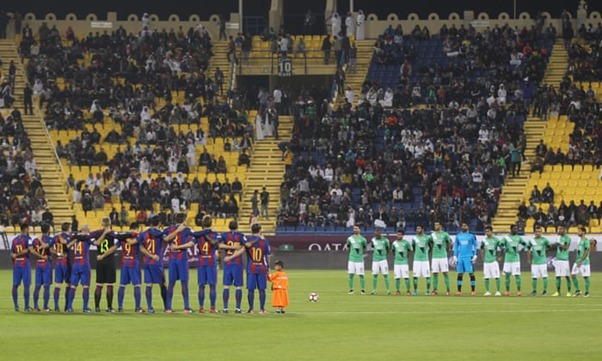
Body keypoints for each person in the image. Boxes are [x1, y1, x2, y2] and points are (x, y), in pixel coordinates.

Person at [171, 215, 218, 313]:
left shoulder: (199, 235)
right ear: (211, 223)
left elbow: (190, 244)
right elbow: (217, 245)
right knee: (212, 285)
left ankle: (201, 307)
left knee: (201, 285)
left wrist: (177, 247)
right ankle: (213, 307)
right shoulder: (215, 234)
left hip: (201, 261)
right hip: (210, 261)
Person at [224, 223, 271, 313]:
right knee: (262, 289)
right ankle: (262, 309)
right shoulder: (264, 242)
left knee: (251, 289)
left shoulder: (248, 241)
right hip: (261, 267)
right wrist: (268, 266)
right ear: (260, 230)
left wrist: (230, 257)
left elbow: (241, 251)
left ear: (251, 231)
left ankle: (251, 309)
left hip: (251, 267)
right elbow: (268, 256)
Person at [66, 225, 110, 312]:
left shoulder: (75, 237)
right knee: (85, 286)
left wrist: (75, 240)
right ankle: (85, 307)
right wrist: (104, 234)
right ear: (86, 230)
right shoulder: (87, 238)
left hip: (75, 264)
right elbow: (97, 243)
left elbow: (67, 246)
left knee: (73, 286)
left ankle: (69, 307)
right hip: (84, 264)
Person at [163, 212, 194, 313]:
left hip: (172, 259)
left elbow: (165, 239)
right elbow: (191, 243)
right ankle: (186, 307)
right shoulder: (186, 230)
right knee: (184, 283)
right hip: (182, 259)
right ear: (184, 220)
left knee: (171, 284)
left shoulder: (169, 229)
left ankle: (168, 308)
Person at [110, 224, 143, 312]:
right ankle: (137, 307)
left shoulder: (122, 237)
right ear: (136, 228)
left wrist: (105, 254)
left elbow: (114, 247)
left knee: (122, 285)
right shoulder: (137, 236)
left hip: (124, 262)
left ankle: (120, 307)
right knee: (137, 285)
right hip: (133, 262)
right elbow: (141, 248)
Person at [138, 216, 167, 313]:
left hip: (147, 262)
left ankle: (150, 307)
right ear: (159, 223)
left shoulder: (143, 234)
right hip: (157, 262)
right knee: (162, 284)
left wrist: (149, 255)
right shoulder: (159, 234)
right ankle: (167, 307)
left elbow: (141, 248)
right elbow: (166, 238)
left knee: (148, 285)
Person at [220, 220, 247, 313]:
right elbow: (244, 247)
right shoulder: (241, 236)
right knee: (238, 287)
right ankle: (238, 308)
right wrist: (234, 248)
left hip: (228, 263)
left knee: (226, 286)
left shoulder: (224, 235)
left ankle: (225, 308)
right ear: (237, 226)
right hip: (237, 263)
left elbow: (219, 245)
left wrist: (229, 250)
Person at [93, 217, 117, 312]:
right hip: (109, 260)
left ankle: (97, 307)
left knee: (99, 284)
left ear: (102, 224)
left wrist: (101, 256)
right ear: (110, 223)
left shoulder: (97, 233)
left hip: (100, 261)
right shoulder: (113, 234)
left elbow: (96, 243)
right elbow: (115, 247)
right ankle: (109, 307)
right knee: (109, 285)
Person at [29, 223, 53, 311]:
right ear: (48, 230)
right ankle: (45, 307)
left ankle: (35, 307)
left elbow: (32, 250)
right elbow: (50, 249)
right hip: (46, 264)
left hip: (38, 263)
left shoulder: (35, 240)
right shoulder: (50, 239)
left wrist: (39, 256)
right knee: (46, 286)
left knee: (37, 286)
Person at [49, 222, 72, 311]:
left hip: (58, 261)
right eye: (70, 228)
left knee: (58, 284)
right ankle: (67, 306)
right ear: (68, 228)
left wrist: (58, 253)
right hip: (66, 262)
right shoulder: (68, 237)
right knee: (68, 284)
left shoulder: (55, 237)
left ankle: (56, 306)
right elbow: (66, 243)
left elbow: (50, 248)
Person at [500, 225, 527, 296]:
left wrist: (523, 249)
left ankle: (519, 291)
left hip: (516, 260)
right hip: (507, 260)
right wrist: (504, 248)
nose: (516, 230)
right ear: (511, 229)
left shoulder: (518, 237)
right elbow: (501, 244)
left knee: (517, 275)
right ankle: (507, 291)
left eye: (517, 228)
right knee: (507, 276)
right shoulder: (506, 238)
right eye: (515, 228)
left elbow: (525, 244)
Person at [11, 223, 32, 311]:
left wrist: (15, 256)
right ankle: (26, 307)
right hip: (24, 262)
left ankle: (16, 305)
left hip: (16, 263)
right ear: (26, 229)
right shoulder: (28, 239)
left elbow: (12, 253)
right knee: (26, 285)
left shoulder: (14, 239)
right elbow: (29, 249)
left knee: (15, 285)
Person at [453, 222, 478, 295]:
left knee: (471, 273)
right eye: (462, 226)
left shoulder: (471, 236)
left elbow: (476, 246)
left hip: (468, 257)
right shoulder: (458, 236)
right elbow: (456, 247)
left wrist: (475, 255)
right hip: (460, 257)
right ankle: (459, 290)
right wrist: (455, 256)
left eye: (465, 226)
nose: (463, 227)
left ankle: (473, 290)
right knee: (460, 273)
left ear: (468, 227)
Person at [527, 226, 551, 296]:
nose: (538, 233)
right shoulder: (531, 240)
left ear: (542, 232)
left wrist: (544, 252)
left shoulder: (545, 240)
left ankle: (545, 291)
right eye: (537, 231)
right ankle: (534, 291)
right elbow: (528, 250)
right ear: (534, 232)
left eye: (539, 231)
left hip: (542, 262)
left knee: (544, 276)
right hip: (534, 262)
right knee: (534, 277)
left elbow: (549, 247)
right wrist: (529, 259)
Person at [430, 221, 452, 295]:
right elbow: (431, 244)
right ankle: (435, 290)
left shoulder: (445, 234)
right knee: (435, 274)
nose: (436, 226)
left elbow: (449, 243)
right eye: (435, 225)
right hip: (435, 257)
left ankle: (448, 290)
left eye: (437, 225)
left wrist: (446, 250)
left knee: (445, 273)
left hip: (443, 256)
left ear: (440, 226)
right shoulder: (432, 235)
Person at [480, 226, 502, 296]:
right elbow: (481, 248)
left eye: (488, 231)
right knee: (486, 277)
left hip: (493, 261)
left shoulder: (496, 240)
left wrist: (500, 256)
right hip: (486, 262)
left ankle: (498, 291)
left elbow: (502, 247)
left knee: (496, 276)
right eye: (486, 231)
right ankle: (487, 291)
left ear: (491, 231)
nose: (487, 233)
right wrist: (482, 257)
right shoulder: (484, 240)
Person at [346, 225, 367, 294]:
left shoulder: (363, 239)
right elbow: (348, 248)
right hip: (351, 259)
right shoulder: (350, 239)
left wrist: (360, 254)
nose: (355, 230)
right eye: (354, 228)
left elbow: (364, 248)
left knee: (361, 275)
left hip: (359, 260)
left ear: (359, 230)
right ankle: (351, 290)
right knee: (351, 275)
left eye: (357, 228)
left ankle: (362, 290)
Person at [552, 225, 572, 297]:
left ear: (564, 229)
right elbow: (557, 246)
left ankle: (569, 291)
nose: (559, 230)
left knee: (567, 276)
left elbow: (565, 248)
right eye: (558, 229)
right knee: (557, 276)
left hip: (564, 260)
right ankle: (558, 291)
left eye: (560, 229)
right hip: (558, 259)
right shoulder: (558, 238)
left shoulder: (567, 238)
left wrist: (559, 244)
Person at [571, 226, 591, 297]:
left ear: (583, 232)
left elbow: (586, 252)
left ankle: (587, 292)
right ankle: (578, 290)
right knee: (573, 275)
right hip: (577, 261)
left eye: (579, 231)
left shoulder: (586, 241)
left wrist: (581, 261)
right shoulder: (579, 241)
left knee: (585, 276)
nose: (578, 232)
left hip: (584, 262)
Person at [391, 229, 412, 295]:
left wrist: (405, 258)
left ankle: (408, 291)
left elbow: (409, 251)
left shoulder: (406, 243)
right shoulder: (394, 243)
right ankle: (398, 291)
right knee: (397, 277)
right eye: (397, 234)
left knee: (406, 277)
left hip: (404, 262)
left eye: (400, 235)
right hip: (397, 262)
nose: (398, 236)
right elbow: (393, 251)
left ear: (403, 235)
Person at [370, 228, 390, 295]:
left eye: (377, 234)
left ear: (380, 233)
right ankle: (374, 290)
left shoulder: (385, 240)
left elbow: (387, 249)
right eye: (375, 234)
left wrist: (384, 255)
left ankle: (388, 290)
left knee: (385, 275)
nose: (376, 235)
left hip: (383, 260)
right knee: (374, 275)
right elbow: (373, 247)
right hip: (375, 260)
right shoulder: (373, 240)